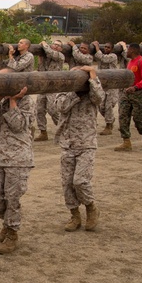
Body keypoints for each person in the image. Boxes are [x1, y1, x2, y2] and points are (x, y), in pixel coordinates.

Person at [0, 85, 34, 254]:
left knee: (12, 198)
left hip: (18, 158)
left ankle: (12, 233)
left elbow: (18, 125)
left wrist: (13, 101)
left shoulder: (27, 102)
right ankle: (8, 222)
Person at [49, 65, 104, 232]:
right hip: (67, 142)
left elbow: (99, 98)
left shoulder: (94, 89)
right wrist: (74, 93)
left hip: (86, 142)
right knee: (67, 183)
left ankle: (91, 207)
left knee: (80, 181)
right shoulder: (64, 91)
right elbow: (60, 107)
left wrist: (93, 77)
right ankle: (75, 215)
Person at [113, 41, 142, 152]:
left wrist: (135, 87)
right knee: (123, 116)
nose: (127, 52)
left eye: (128, 49)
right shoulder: (130, 62)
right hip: (127, 92)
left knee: (138, 118)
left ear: (133, 50)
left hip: (139, 93)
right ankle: (126, 141)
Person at [34, 38, 65, 141]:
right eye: (54, 44)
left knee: (53, 110)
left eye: (58, 45)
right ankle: (43, 132)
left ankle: (63, 130)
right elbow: (40, 70)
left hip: (53, 88)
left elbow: (51, 53)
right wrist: (40, 58)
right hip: (43, 87)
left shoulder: (60, 56)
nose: (55, 46)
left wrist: (44, 44)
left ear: (61, 49)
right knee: (39, 110)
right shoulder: (47, 57)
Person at [91, 41, 120, 135]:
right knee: (101, 107)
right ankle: (110, 120)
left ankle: (108, 126)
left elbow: (104, 59)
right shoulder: (101, 55)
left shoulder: (113, 56)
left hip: (112, 85)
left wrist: (97, 48)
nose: (106, 49)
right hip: (104, 85)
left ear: (112, 49)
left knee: (108, 106)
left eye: (108, 47)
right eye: (105, 47)